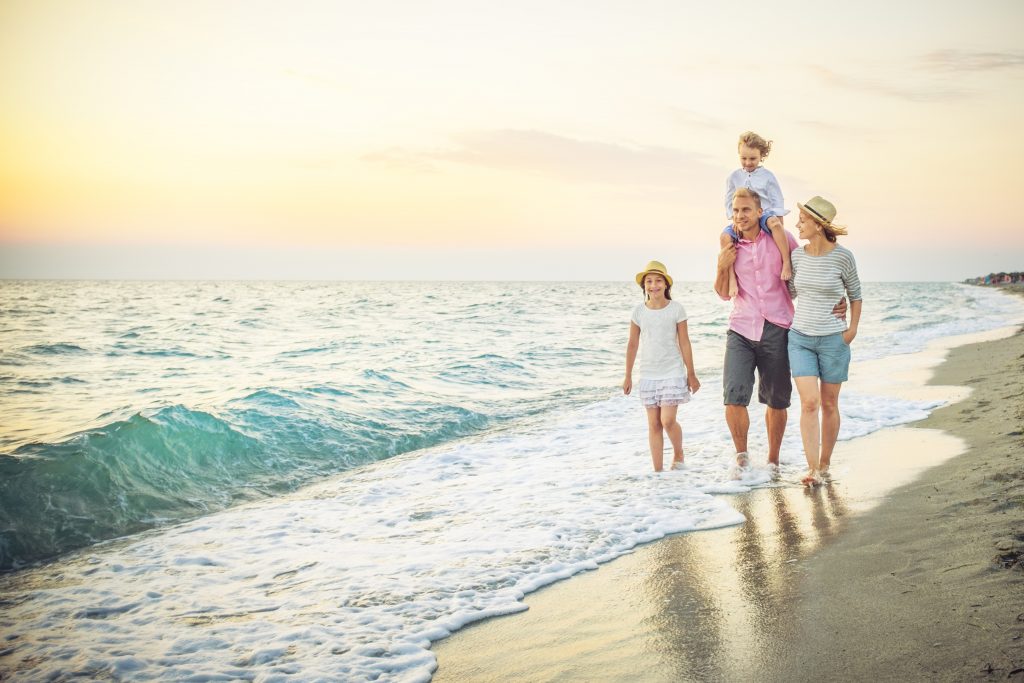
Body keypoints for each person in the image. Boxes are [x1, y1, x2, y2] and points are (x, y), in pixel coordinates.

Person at [786, 196, 863, 486]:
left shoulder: (844, 257)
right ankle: (812, 469)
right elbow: (792, 292)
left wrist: (851, 330)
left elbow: (855, 295)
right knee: (809, 402)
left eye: (803, 220)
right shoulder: (797, 256)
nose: (798, 225)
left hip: (834, 340)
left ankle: (826, 462)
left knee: (829, 404)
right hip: (800, 338)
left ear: (818, 225)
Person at [623, 261, 701, 472]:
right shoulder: (638, 312)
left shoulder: (676, 309)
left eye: (658, 281)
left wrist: (691, 374)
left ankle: (678, 452)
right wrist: (627, 375)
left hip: (672, 371)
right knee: (654, 425)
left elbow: (684, 342)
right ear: (644, 286)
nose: (653, 285)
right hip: (648, 373)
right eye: (649, 281)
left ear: (666, 284)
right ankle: (657, 473)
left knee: (667, 421)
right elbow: (632, 344)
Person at [720, 131, 792, 298]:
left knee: (775, 224)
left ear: (761, 156)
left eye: (752, 159)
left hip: (764, 215)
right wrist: (735, 221)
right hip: (740, 219)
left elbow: (777, 200)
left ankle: (786, 263)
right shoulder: (733, 177)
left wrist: (779, 226)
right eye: (743, 158)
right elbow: (729, 200)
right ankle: (732, 278)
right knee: (724, 238)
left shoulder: (768, 176)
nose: (748, 162)